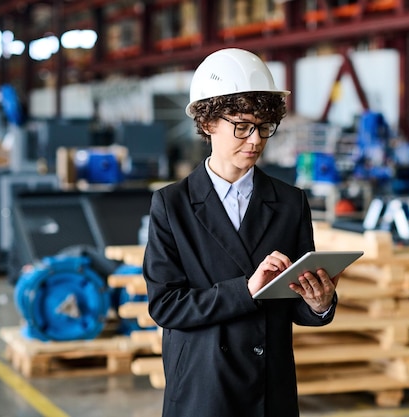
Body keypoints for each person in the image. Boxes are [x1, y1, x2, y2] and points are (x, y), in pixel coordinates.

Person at [142, 48, 340, 417]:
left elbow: (296, 302)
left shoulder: (290, 202)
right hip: (203, 388)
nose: (255, 141)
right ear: (207, 123)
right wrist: (245, 290)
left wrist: (319, 304)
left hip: (269, 386)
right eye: (242, 127)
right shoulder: (172, 206)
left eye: (264, 127)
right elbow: (165, 305)